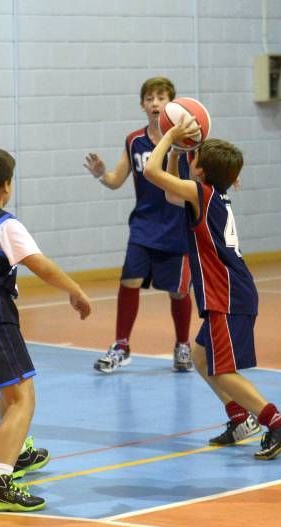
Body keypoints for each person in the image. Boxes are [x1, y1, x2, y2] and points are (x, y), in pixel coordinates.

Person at [0, 148, 92, 511]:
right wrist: (75, 289)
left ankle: (19, 453)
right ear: (6, 186)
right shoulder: (1, 220)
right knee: (24, 396)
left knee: (9, 387)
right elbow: (37, 263)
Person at [143, 117, 281, 460]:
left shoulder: (202, 194)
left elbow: (151, 174)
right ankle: (240, 418)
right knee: (201, 357)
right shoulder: (210, 195)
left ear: (200, 171)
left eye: (194, 156)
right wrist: (180, 154)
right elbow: (171, 191)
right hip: (231, 293)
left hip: (227, 296)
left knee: (222, 371)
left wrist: (169, 135)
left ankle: (277, 421)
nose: (190, 157)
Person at [83, 76, 193, 373]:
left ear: (173, 102)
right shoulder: (134, 141)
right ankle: (121, 345)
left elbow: (202, 174)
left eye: (161, 97)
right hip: (144, 225)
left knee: (179, 291)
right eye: (150, 98)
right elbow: (116, 180)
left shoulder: (187, 140)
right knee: (129, 281)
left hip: (178, 226)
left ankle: (183, 345)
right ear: (142, 104)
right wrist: (101, 173)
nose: (155, 102)